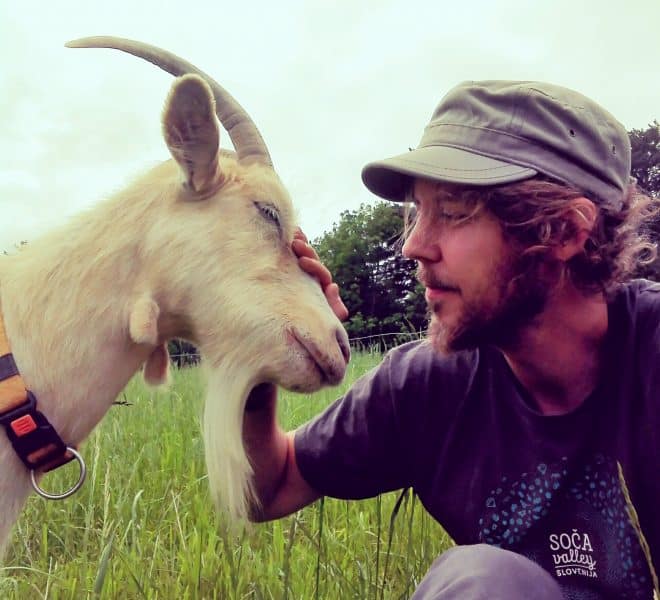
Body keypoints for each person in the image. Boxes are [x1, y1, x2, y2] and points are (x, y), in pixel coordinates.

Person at [243, 80, 659, 599]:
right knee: (483, 581)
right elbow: (268, 487)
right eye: (418, 210)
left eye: (455, 210)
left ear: (564, 231)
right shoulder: (426, 385)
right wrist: (259, 355)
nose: (414, 246)